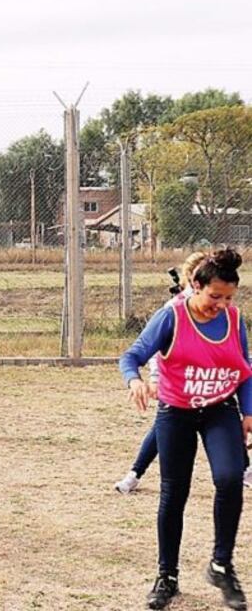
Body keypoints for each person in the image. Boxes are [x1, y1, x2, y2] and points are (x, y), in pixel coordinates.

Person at [120, 248, 252, 610]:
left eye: (229, 298)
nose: (221, 305)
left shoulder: (234, 319)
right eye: (215, 296)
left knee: (230, 478)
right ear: (195, 285)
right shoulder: (172, 316)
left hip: (219, 408)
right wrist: (134, 380)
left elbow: (245, 368)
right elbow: (131, 356)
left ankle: (221, 566)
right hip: (176, 411)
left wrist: (248, 411)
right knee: (174, 493)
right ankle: (167, 576)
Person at [115, 251, 206, 494]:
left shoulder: (218, 306)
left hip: (205, 381)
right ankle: (134, 473)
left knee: (222, 418)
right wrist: (154, 378)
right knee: (163, 426)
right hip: (178, 382)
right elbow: (153, 350)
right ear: (191, 278)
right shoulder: (173, 309)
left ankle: (243, 470)